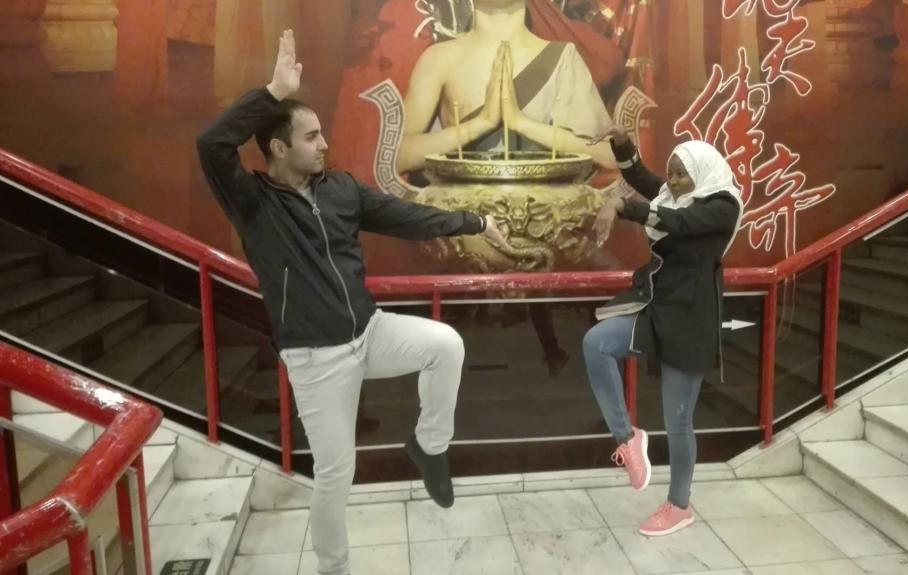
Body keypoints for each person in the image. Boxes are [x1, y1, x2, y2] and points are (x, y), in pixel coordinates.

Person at [196, 30, 511, 575]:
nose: (324, 144)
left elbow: (405, 216)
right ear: (279, 148)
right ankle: (333, 568)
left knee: (446, 345)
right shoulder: (253, 202)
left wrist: (475, 222)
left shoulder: (340, 190)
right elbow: (211, 145)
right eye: (311, 136)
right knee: (336, 474)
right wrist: (273, 93)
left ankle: (429, 445)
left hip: (370, 332)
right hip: (315, 357)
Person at [583, 126, 743, 537]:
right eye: (670, 173)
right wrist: (621, 141)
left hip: (690, 320)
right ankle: (627, 437)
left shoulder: (722, 206)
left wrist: (622, 206)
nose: (671, 181)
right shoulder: (674, 195)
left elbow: (680, 222)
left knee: (678, 421)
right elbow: (640, 176)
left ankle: (679, 505)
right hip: (656, 306)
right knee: (596, 343)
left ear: (701, 172)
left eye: (680, 174)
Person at [396, 0, 617, 172]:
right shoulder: (438, 59)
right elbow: (397, 156)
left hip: (545, 211)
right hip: (461, 213)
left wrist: (523, 124)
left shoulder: (562, 57)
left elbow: (609, 156)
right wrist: (480, 124)